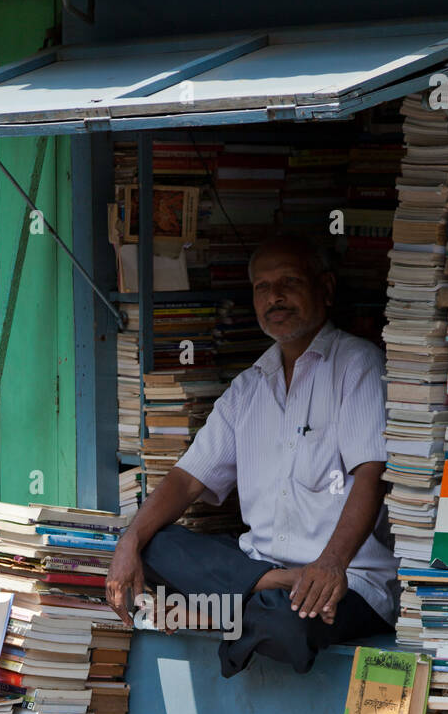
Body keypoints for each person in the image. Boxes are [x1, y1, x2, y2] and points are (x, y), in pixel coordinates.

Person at [106, 232, 397, 677]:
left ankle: (219, 612)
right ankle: (266, 588)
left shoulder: (357, 365)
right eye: (262, 287)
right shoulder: (248, 388)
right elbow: (186, 480)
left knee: (290, 624)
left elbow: (371, 474)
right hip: (261, 572)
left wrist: (330, 563)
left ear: (326, 288)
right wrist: (129, 541)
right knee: (154, 543)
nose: (274, 297)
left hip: (347, 582)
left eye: (289, 282)